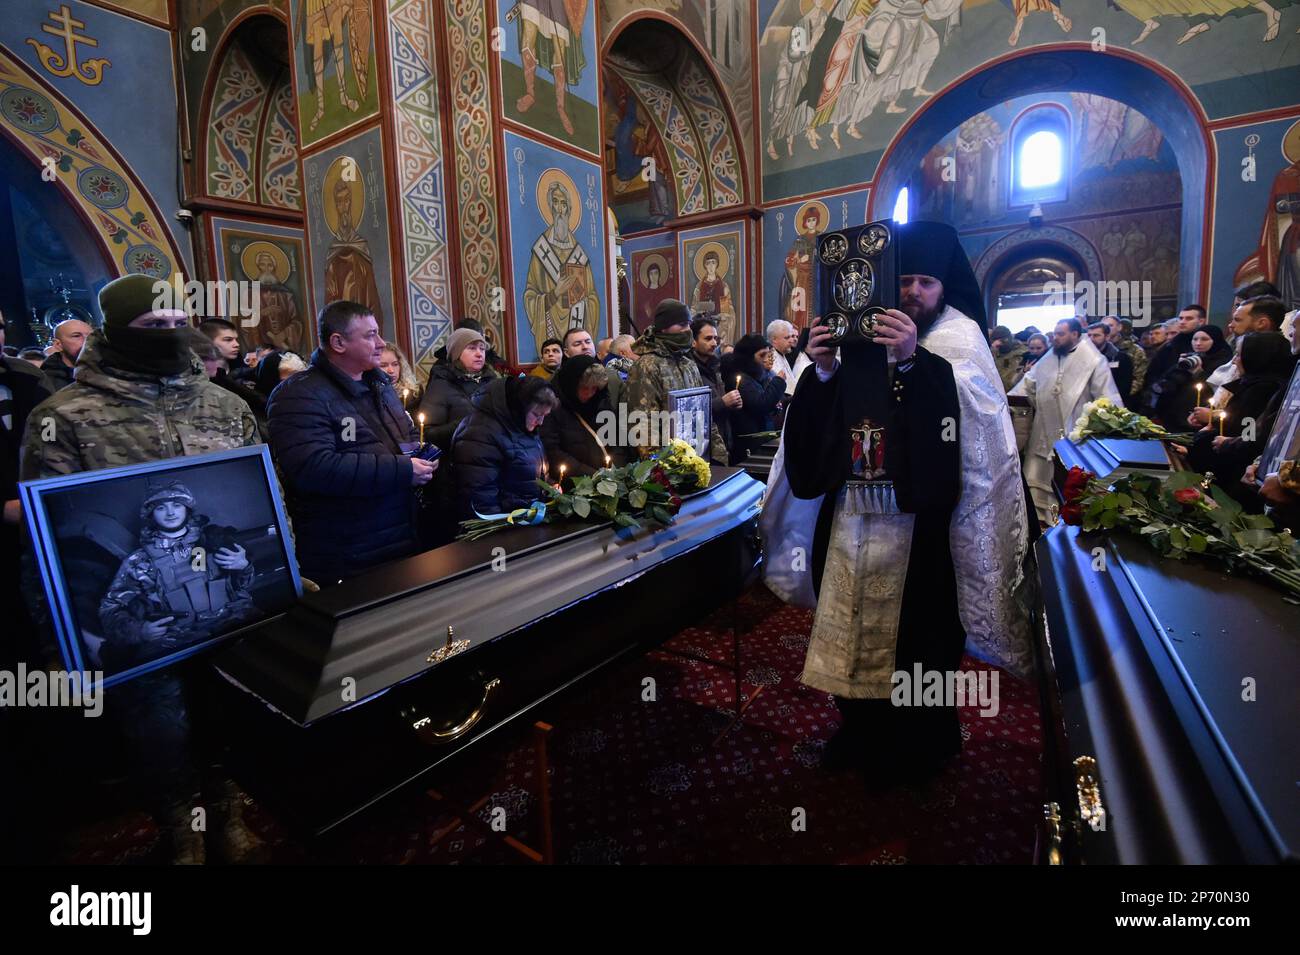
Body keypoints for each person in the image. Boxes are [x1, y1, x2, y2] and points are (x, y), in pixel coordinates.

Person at [763, 221, 1032, 782]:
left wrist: (913, 363)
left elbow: (967, 432)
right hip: (852, 519)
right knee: (850, 627)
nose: (912, 292)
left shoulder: (958, 339)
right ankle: (857, 728)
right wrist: (825, 369)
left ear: (945, 288)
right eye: (904, 279)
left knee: (919, 642)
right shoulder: (863, 330)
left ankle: (919, 745)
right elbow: (823, 428)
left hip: (920, 524)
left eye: (926, 282)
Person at [19, 273, 261, 865]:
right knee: (160, 730)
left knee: (226, 713)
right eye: (154, 326)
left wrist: (260, 571)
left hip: (220, 603)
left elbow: (271, 496)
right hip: (143, 613)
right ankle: (181, 828)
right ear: (116, 329)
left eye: (179, 324)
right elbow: (44, 535)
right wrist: (63, 640)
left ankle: (229, 812)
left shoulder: (226, 406)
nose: (169, 334)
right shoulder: (65, 416)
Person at [267, 300, 435, 585]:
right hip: (348, 552)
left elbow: (404, 437)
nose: (381, 343)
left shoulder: (380, 386)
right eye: (370, 335)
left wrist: (425, 457)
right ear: (338, 342)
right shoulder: (298, 396)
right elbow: (314, 468)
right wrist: (403, 470)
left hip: (399, 536)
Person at [98, 481, 256, 671]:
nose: (170, 513)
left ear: (187, 508)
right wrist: (139, 630)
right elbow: (109, 609)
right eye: (161, 508)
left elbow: (244, 587)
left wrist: (244, 566)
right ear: (151, 514)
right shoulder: (140, 561)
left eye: (177, 505)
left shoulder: (215, 541)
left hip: (233, 624)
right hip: (180, 642)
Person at [1011, 318, 1123, 523]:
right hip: (1044, 430)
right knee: (1037, 477)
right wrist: (1006, 400)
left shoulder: (1093, 361)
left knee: (1070, 482)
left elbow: (1107, 399)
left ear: (1075, 334)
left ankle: (1065, 520)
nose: (1056, 338)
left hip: (1074, 430)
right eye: (1054, 334)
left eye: (1061, 334)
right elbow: (1026, 386)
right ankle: (1041, 520)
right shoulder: (1050, 357)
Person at [1188, 332, 1295, 492]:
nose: (1234, 360)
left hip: (1234, 474)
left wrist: (1211, 440)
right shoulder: (1253, 384)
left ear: (1256, 357)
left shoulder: (1262, 390)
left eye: (1239, 354)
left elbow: (1248, 435)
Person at [626, 299, 728, 464]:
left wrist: (718, 455)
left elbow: (703, 412)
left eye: (688, 324)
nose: (687, 330)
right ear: (664, 328)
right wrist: (662, 469)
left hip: (698, 457)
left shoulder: (688, 364)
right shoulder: (647, 365)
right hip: (669, 466)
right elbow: (643, 424)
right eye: (681, 325)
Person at [451, 374, 558, 520]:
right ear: (519, 406)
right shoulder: (479, 433)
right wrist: (503, 534)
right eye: (536, 414)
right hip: (506, 527)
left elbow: (529, 472)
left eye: (545, 415)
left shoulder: (520, 423)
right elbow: (481, 499)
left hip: (527, 519)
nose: (540, 422)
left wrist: (549, 488)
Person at [542, 355, 628, 477]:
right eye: (584, 388)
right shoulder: (551, 406)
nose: (589, 394)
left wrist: (617, 472)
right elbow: (553, 452)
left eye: (594, 388)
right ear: (572, 385)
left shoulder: (600, 401)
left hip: (608, 480)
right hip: (573, 483)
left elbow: (617, 443)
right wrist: (594, 476)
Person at [416, 326, 496, 450]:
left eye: (482, 348)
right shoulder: (441, 385)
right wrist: (464, 424)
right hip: (458, 459)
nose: (479, 354)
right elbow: (427, 434)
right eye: (472, 348)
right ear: (457, 353)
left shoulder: (492, 381)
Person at [1144, 325, 1231, 429]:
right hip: (1175, 413)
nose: (1198, 343)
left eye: (1204, 339)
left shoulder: (1224, 362)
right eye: (1195, 339)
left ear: (1215, 340)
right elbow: (1166, 381)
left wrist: (1199, 373)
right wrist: (1179, 366)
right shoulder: (1191, 357)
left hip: (1199, 416)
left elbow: (1216, 389)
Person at [722, 334, 786, 464]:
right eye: (762, 355)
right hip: (748, 443)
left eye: (768, 355)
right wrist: (778, 381)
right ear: (748, 357)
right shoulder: (740, 379)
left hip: (760, 438)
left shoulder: (755, 376)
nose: (766, 359)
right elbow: (761, 404)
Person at [689, 316, 740, 464]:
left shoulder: (715, 366)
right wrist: (722, 403)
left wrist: (733, 404)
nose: (714, 343)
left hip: (722, 440)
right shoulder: (690, 370)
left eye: (716, 338)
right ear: (694, 341)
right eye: (708, 338)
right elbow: (690, 410)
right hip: (702, 446)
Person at [39, 318, 92, 390]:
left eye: (92, 335)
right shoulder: (47, 384)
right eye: (76, 336)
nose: (88, 340)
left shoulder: (107, 369)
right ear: (58, 344)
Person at [1104, 316, 1148, 399]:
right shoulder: (1098, 349)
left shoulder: (1134, 350)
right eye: (1104, 326)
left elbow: (1139, 378)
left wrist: (1120, 396)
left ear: (1119, 327)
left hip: (1125, 398)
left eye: (1110, 325)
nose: (1107, 329)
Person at [1087, 321, 1133, 398]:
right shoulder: (1082, 357)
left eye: (1096, 335)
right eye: (1089, 335)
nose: (1091, 339)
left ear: (1107, 337)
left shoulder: (1121, 358)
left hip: (1111, 402)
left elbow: (1124, 387)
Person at [378, 343, 423, 415]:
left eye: (395, 364)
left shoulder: (414, 391)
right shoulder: (368, 394)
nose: (391, 370)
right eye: (383, 365)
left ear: (401, 365)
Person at [766, 319, 799, 396]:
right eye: (787, 338)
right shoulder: (770, 360)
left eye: (791, 337)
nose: (791, 340)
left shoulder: (782, 354)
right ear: (774, 340)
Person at [989, 325, 1028, 392]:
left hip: (1014, 394)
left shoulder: (1023, 354)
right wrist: (992, 350)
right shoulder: (994, 352)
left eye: (1001, 340)